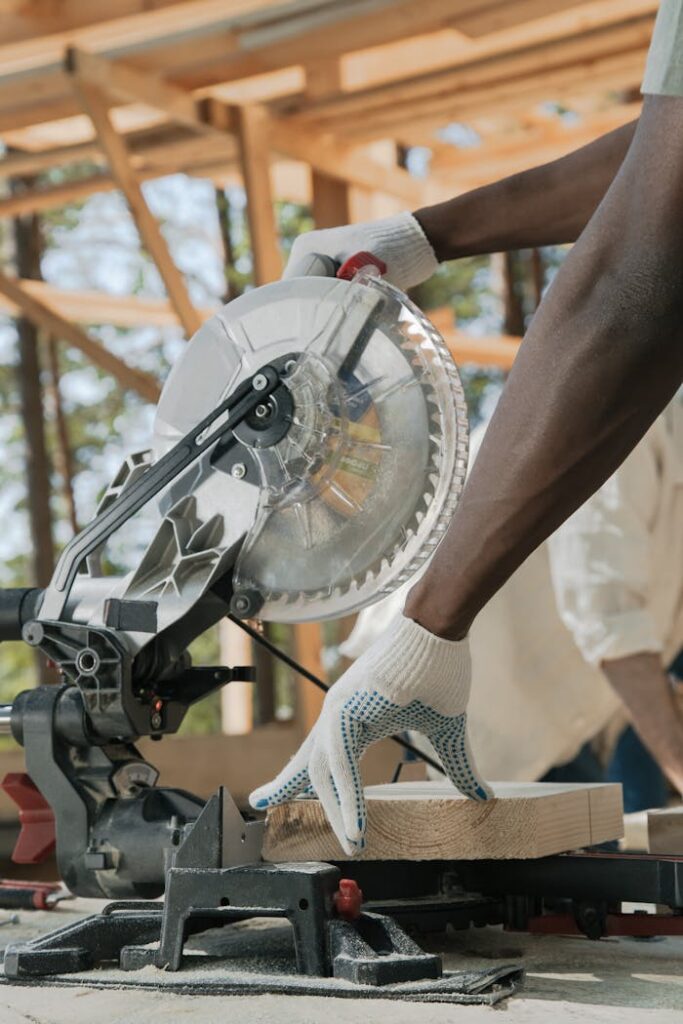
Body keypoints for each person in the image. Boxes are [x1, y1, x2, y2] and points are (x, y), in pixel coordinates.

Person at [249, 2, 683, 855]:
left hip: (539, 700)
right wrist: (421, 237)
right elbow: (652, 211)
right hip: (484, 711)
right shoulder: (656, 422)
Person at [339, 398, 683, 814]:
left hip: (558, 720)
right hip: (476, 700)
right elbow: (605, 612)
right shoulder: (636, 414)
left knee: (593, 860)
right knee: (509, 870)